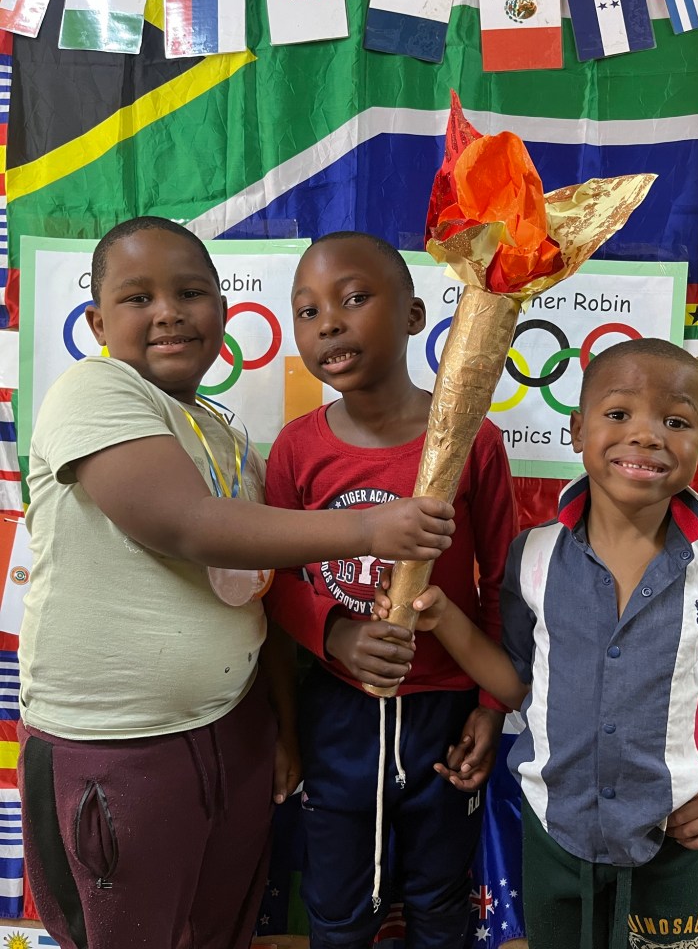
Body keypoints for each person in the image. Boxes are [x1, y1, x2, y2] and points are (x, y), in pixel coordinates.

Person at [17, 216, 456, 949]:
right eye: (138, 298)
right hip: (119, 748)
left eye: (191, 293)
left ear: (223, 311)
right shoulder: (93, 391)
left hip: (233, 731)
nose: (168, 312)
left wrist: (277, 725)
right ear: (96, 323)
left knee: (222, 932)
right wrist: (366, 530)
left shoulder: (228, 439)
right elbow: (186, 523)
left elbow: (261, 591)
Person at [376, 337, 698, 949]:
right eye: (619, 413)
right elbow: (517, 684)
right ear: (577, 430)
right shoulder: (532, 556)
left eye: (675, 421)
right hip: (555, 829)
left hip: (676, 832)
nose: (647, 435)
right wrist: (444, 617)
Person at [264, 230, 518, 949]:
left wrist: (490, 708)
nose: (328, 324)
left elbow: (501, 583)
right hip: (338, 714)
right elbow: (273, 582)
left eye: (353, 299)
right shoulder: (296, 449)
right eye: (307, 311)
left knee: (440, 900)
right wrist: (335, 633)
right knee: (339, 906)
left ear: (413, 316)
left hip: (445, 714)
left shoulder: (475, 441)